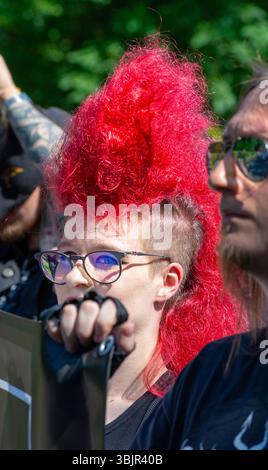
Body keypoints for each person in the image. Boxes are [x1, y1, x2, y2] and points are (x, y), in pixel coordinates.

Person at [38, 40, 241, 449]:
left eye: (104, 258)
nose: (73, 277)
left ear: (167, 279)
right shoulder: (33, 386)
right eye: (65, 257)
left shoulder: (194, 419)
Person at [131, 62, 268, 450]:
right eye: (222, 152)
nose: (220, 177)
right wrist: (61, 403)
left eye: (254, 154)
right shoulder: (212, 372)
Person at [0, 42, 70, 318]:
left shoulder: (75, 260)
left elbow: (69, 162)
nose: (4, 213)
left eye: (14, 199)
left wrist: (7, 97)